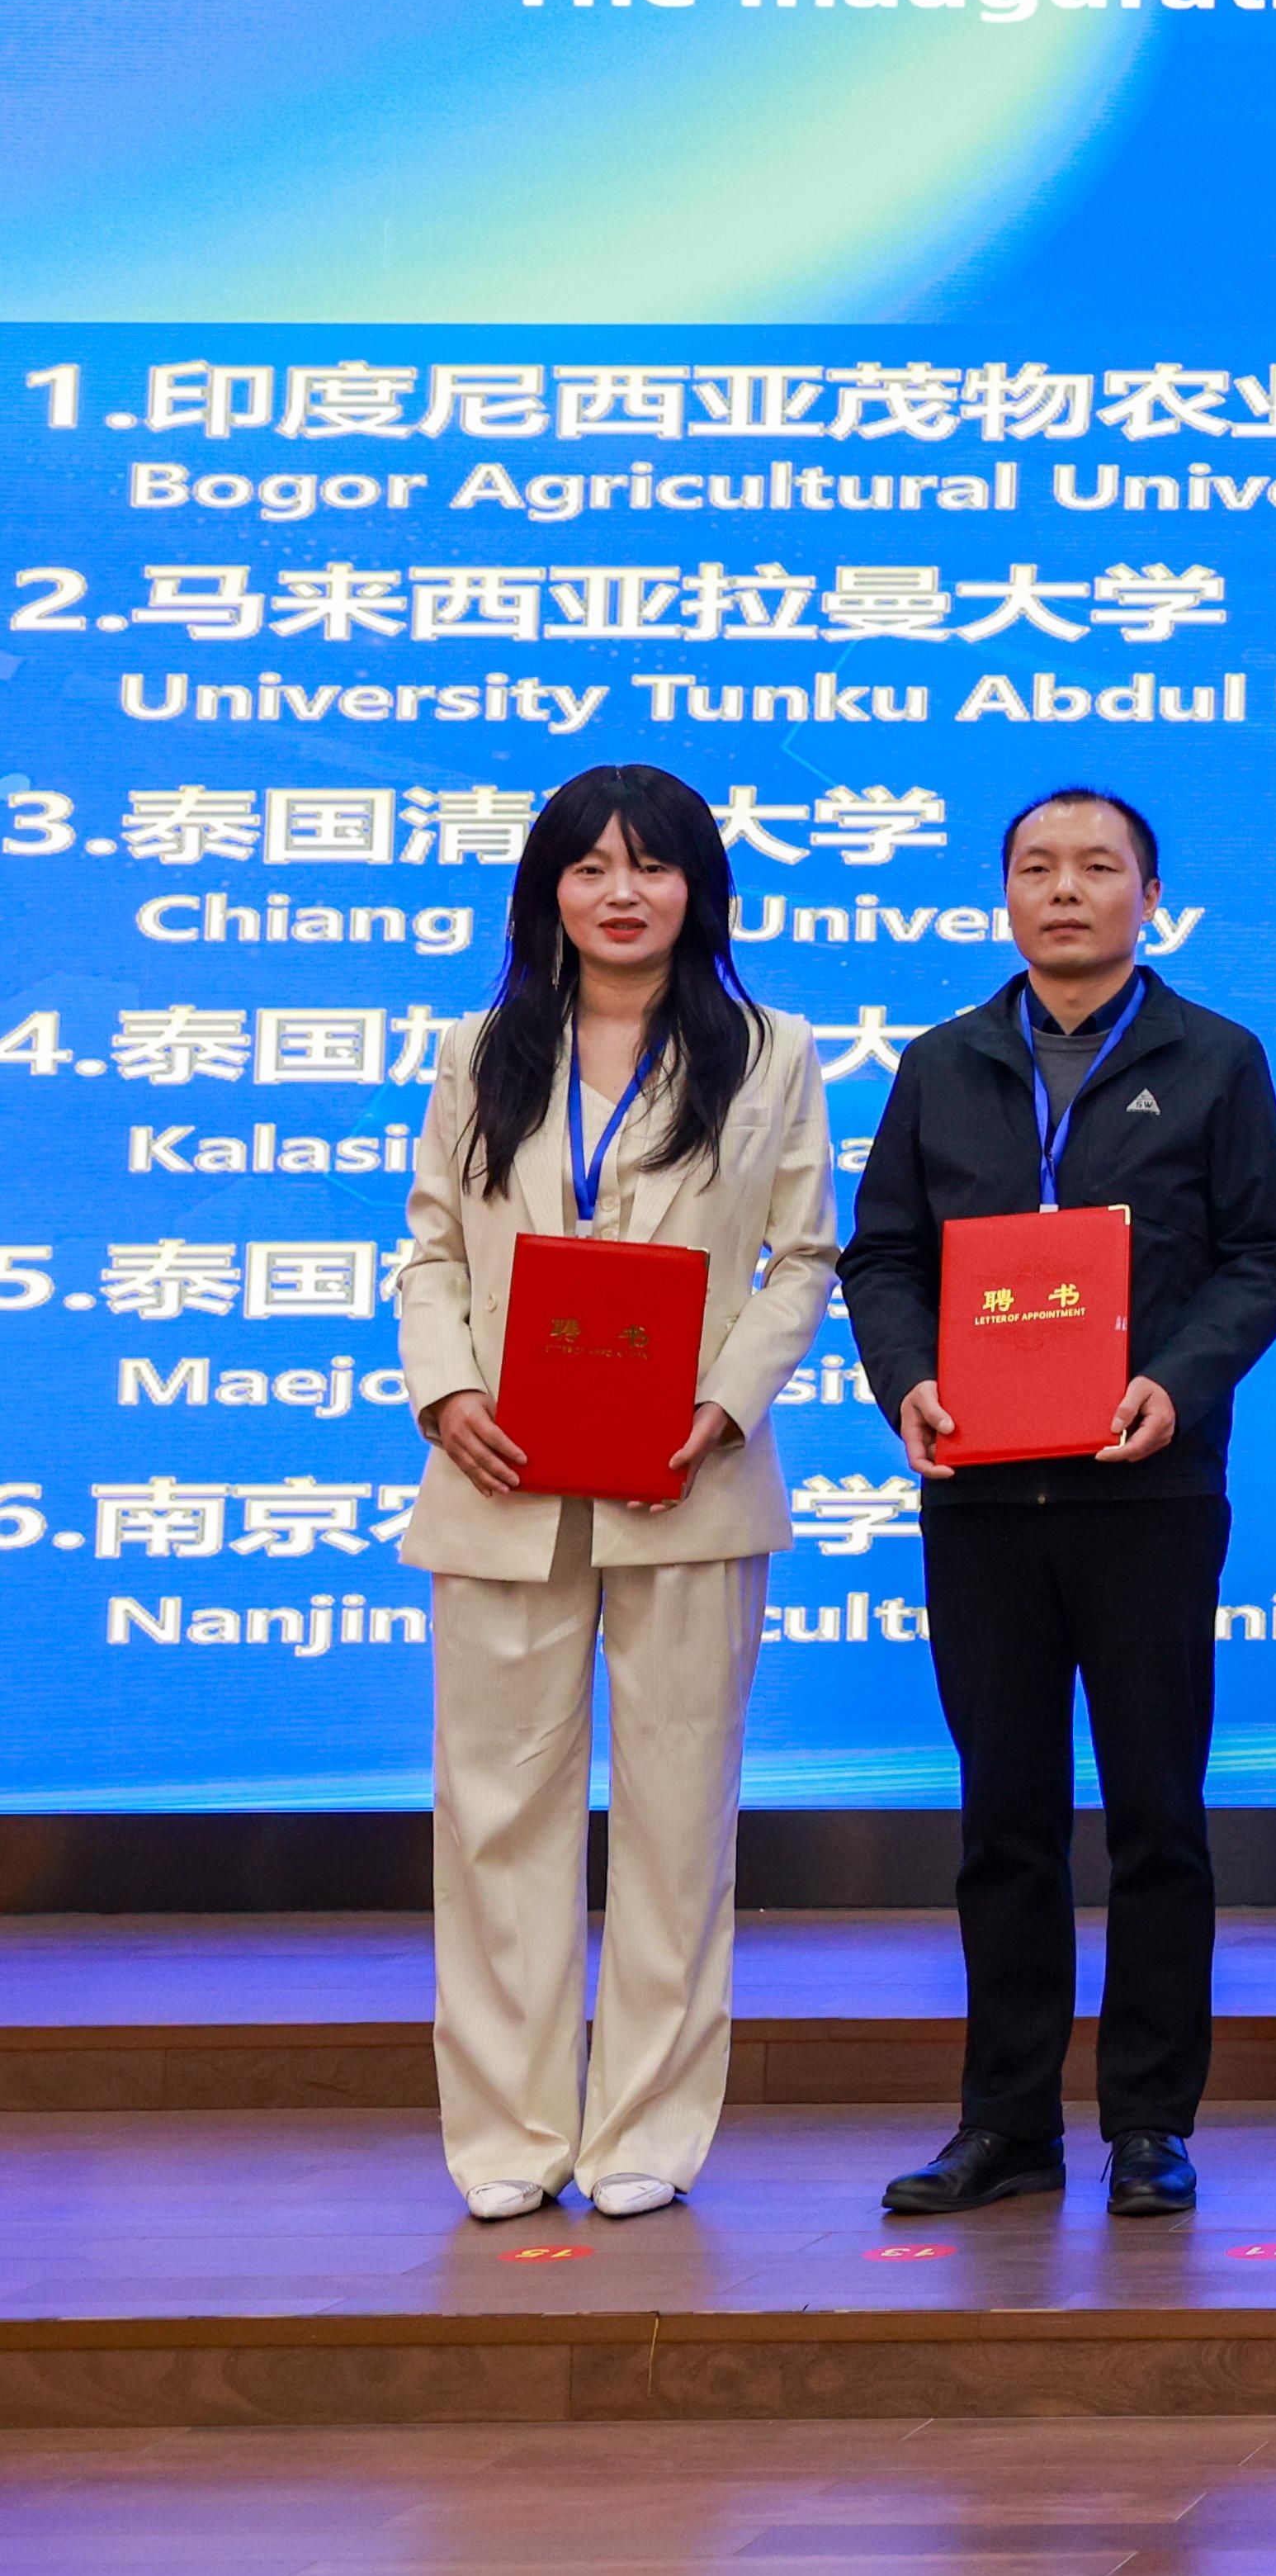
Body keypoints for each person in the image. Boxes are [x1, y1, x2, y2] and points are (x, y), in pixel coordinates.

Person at [843, 784, 1276, 2221]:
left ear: (1149, 898)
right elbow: (883, 1256)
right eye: (1037, 867)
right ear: (1004, 896)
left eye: (1097, 867)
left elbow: (1266, 1251)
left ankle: (1152, 2122)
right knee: (1006, 1817)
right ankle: (1005, 2124)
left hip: (1147, 1486)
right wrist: (910, 1380)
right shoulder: (943, 1063)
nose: (1065, 890)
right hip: (982, 1494)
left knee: (1159, 1813)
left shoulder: (1215, 1058)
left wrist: (1180, 1379)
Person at [395, 764, 839, 2222]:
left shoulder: (770, 1052)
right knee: (496, 1817)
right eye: (590, 867)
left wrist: (727, 1405)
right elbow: (432, 1252)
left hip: (685, 1479)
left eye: (652, 866)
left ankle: (646, 2128)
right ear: (549, 892)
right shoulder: (481, 1049)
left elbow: (804, 1257)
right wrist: (448, 1393)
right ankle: (510, 2138)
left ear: (700, 889)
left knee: (677, 1815)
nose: (622, 892)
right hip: (504, 1474)